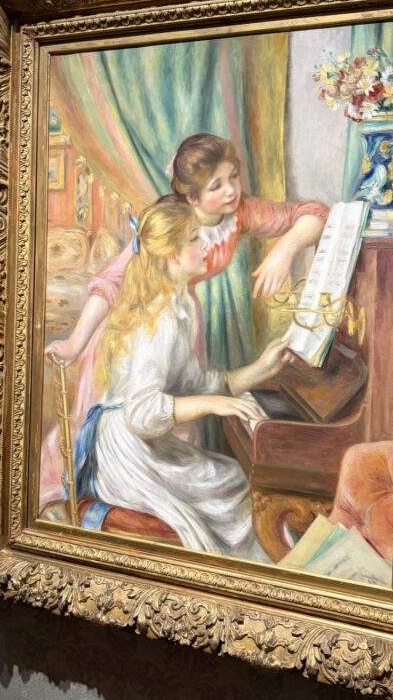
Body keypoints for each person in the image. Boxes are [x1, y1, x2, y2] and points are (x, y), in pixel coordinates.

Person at [40, 133, 328, 506]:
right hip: (137, 331)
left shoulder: (239, 213)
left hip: (179, 317)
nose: (231, 190)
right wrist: (76, 343)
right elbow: (111, 283)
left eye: (233, 177)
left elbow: (315, 214)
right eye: (216, 185)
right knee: (145, 431)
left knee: (185, 434)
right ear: (191, 197)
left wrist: (285, 249)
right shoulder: (170, 226)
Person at [74, 200, 293, 556]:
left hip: (142, 444)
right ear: (173, 256)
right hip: (125, 454)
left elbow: (195, 383)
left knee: (231, 478)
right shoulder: (158, 317)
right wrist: (215, 404)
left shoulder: (180, 305)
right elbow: (141, 413)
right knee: (231, 488)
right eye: (194, 239)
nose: (205, 245)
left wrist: (262, 369)